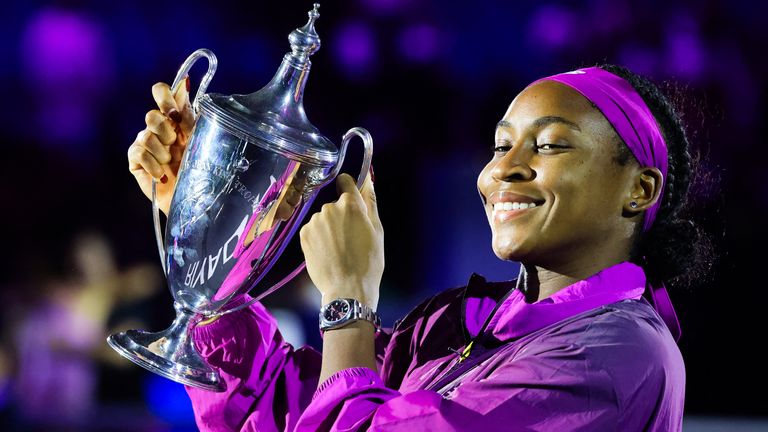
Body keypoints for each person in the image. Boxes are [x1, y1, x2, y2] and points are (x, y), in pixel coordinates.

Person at [127, 64, 712, 431]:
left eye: (551, 146)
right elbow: (283, 410)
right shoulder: (460, 326)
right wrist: (211, 228)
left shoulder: (616, 355)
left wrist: (348, 300)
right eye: (499, 146)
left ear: (639, 189)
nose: (503, 170)